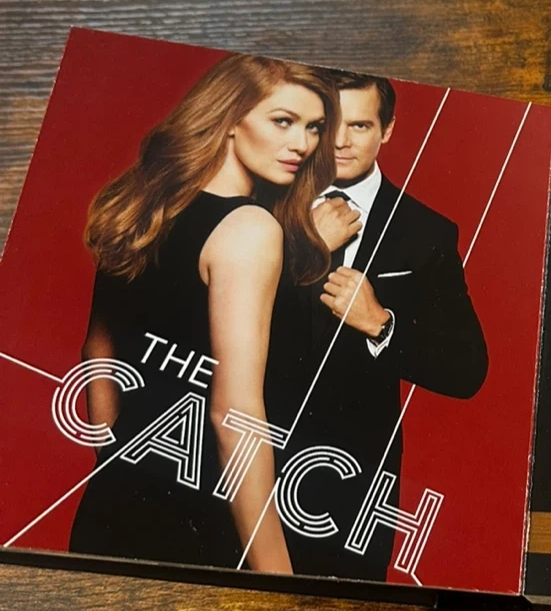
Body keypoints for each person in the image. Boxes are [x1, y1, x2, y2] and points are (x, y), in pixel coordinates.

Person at [68, 54, 338, 574]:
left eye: (313, 127)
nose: (303, 144)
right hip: (203, 514)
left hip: (115, 497)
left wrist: (115, 458)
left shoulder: (144, 203)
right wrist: (279, 576)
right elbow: (234, 418)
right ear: (231, 117)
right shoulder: (250, 230)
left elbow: (98, 352)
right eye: (283, 121)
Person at [280, 72, 488, 580]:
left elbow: (467, 369)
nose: (341, 142)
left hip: (354, 475)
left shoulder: (426, 231)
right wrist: (304, 251)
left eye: (360, 125)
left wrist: (380, 324)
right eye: (329, 124)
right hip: (248, 445)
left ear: (387, 130)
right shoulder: (265, 201)